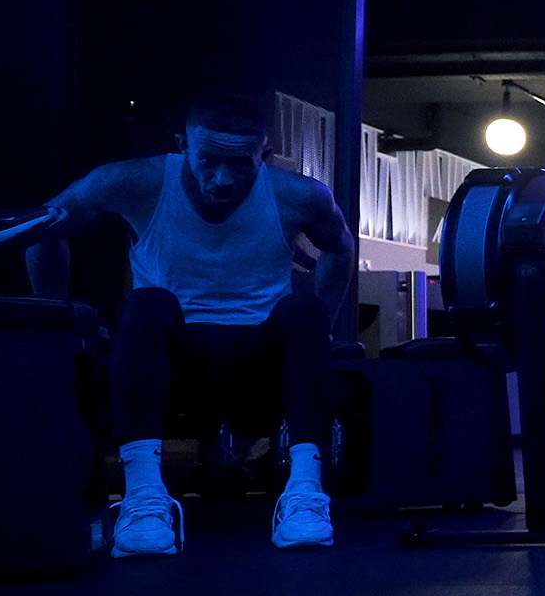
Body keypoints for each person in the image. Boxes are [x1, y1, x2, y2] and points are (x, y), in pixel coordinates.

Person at [26, 91, 356, 556]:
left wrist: (324, 329)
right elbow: (40, 230)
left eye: (240, 164)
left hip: (258, 362)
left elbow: (340, 247)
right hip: (174, 359)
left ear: (262, 156)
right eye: (208, 161)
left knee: (305, 311)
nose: (223, 179)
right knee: (147, 303)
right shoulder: (135, 181)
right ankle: (143, 497)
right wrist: (59, 323)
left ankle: (304, 492)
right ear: (183, 145)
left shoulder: (298, 195)